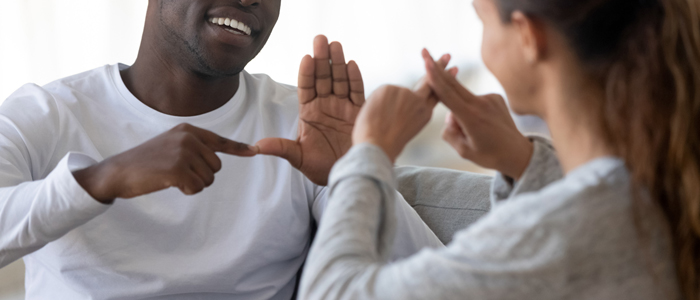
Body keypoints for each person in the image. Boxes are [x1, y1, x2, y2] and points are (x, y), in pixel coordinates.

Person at [0, 0, 483, 298]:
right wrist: (104, 178)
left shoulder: (304, 123)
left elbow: (432, 284)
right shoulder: (47, 114)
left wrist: (355, 169)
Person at [299, 0, 700, 299]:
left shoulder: (568, 231)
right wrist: (524, 162)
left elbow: (332, 292)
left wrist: (370, 152)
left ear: (528, 35)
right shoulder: (662, 176)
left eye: (482, 19)